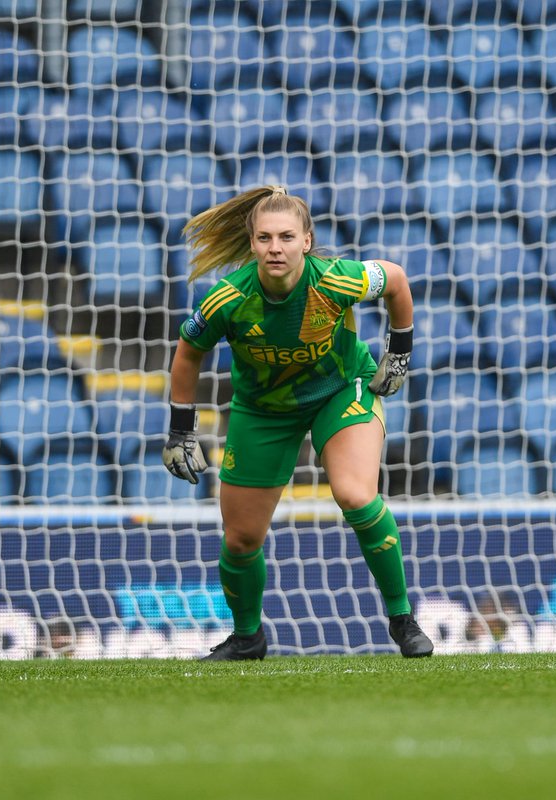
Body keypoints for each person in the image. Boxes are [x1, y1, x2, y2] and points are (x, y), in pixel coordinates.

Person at [162, 185, 434, 661]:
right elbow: (188, 352)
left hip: (341, 390)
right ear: (252, 244)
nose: (276, 248)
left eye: (286, 237)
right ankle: (247, 638)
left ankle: (403, 620)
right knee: (240, 539)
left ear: (306, 241)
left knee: (355, 495)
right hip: (263, 410)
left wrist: (400, 351)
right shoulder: (227, 299)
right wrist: (181, 429)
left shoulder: (336, 280)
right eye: (265, 238)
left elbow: (395, 280)